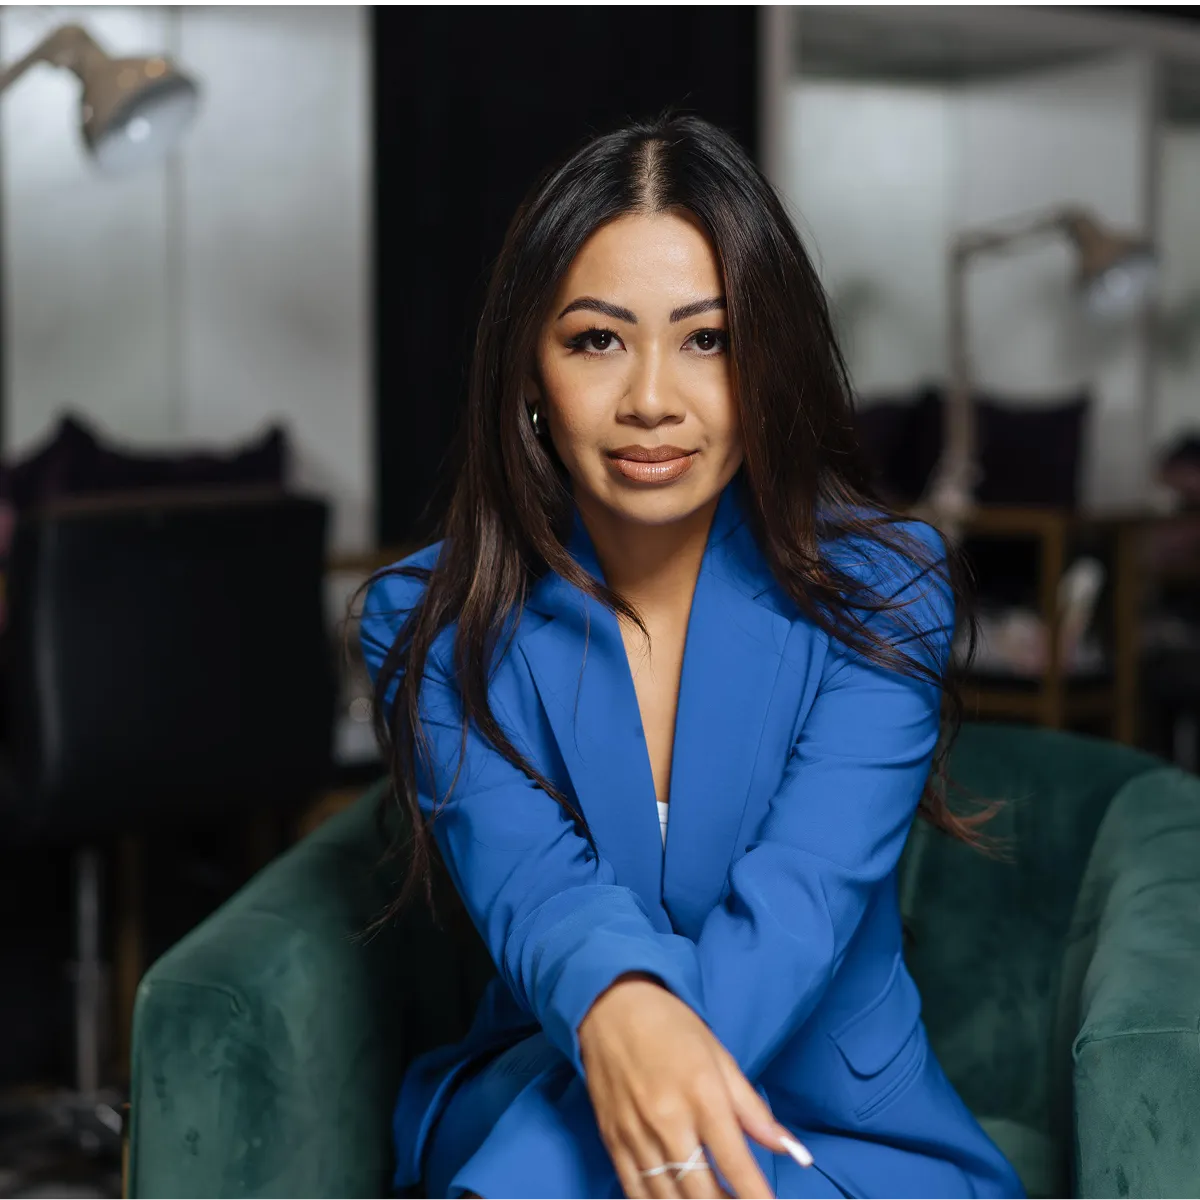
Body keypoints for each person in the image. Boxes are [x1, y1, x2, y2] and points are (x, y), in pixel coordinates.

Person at [359, 112, 1025, 1200]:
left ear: (769, 361)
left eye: (707, 339)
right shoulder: (430, 618)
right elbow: (536, 891)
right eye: (597, 339)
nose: (653, 399)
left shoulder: (888, 589)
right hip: (563, 1079)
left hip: (837, 1125)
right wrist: (617, 1016)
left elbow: (800, 907)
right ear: (530, 368)